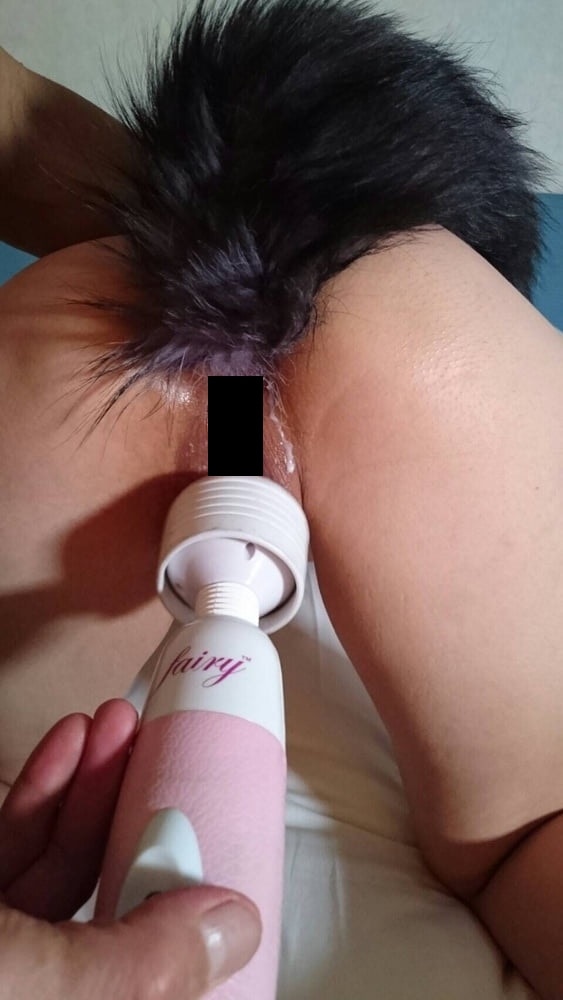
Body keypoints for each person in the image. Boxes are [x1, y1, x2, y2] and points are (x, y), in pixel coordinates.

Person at [1, 1, 563, 996]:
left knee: (19, 789)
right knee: (531, 829)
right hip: (431, 339)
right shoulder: (424, 330)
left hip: (95, 351)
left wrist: (190, 221)